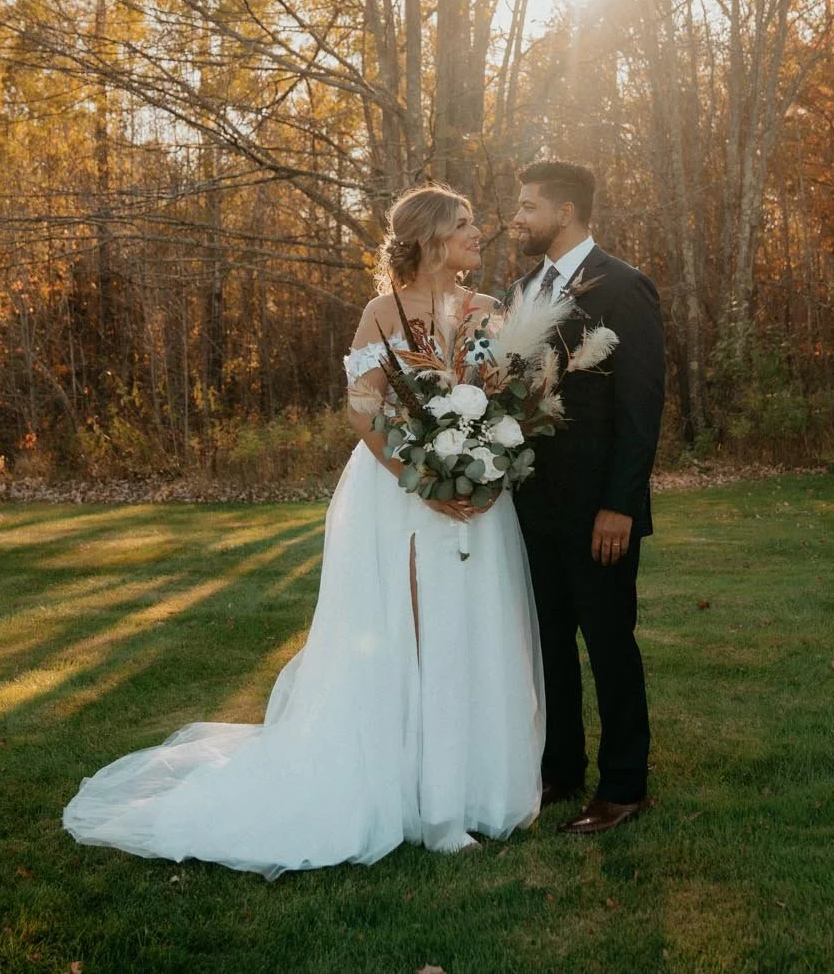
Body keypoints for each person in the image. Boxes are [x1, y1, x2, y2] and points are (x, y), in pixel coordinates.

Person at [62, 185, 545, 878]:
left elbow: (499, 398)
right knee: (415, 631)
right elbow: (362, 408)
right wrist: (423, 479)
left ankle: (470, 789)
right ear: (433, 237)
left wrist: (481, 452)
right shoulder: (381, 313)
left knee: (470, 629)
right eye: (465, 223)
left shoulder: (490, 312)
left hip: (476, 497)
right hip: (404, 492)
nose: (479, 232)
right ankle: (420, 800)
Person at [506, 159, 665, 834]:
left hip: (599, 509)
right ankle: (560, 767)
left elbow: (641, 406)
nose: (517, 218)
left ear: (564, 212)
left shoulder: (626, 288)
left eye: (527, 206)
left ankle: (624, 784)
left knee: (608, 644)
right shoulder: (519, 290)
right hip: (531, 506)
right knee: (548, 645)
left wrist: (620, 505)